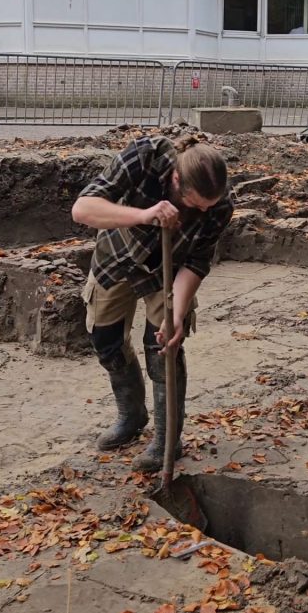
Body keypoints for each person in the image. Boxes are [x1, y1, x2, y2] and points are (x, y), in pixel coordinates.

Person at [71, 134, 233, 472]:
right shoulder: (145, 156)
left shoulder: (218, 205)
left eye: (209, 205)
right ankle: (131, 416)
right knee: (106, 341)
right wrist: (144, 215)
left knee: (163, 349)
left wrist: (175, 315)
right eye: (196, 203)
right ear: (176, 179)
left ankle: (166, 440)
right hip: (118, 253)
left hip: (169, 269)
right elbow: (82, 209)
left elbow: (197, 264)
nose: (203, 210)